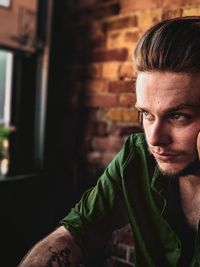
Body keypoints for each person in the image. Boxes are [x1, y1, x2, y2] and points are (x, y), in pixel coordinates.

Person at [18, 16, 200, 267]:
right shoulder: (137, 158)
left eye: (178, 116)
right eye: (146, 114)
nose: (155, 139)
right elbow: (77, 231)